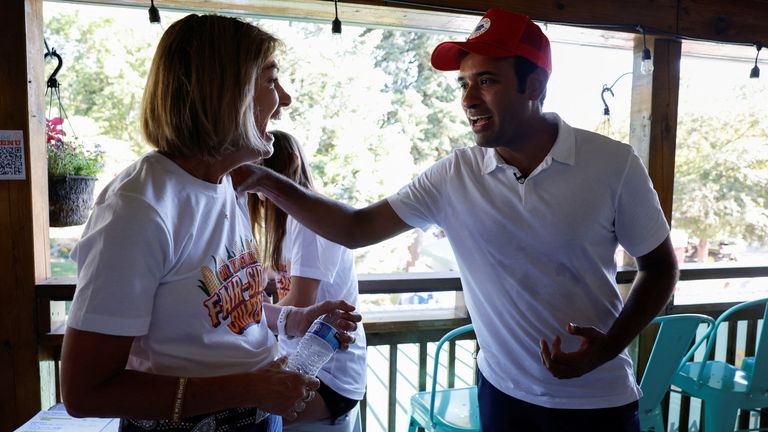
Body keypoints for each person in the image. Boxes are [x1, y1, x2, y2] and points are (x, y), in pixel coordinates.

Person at [235, 8, 678, 431]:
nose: (468, 99)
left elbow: (660, 267)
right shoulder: (455, 174)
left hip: (596, 400)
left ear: (535, 84)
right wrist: (263, 179)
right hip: (502, 394)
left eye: (486, 81)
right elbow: (355, 229)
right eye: (463, 84)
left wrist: (607, 349)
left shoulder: (612, 165)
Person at [59, 14, 360, 432]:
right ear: (226, 93)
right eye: (271, 81)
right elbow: (84, 392)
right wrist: (249, 388)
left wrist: (294, 318)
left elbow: (217, 315)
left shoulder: (221, 185)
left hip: (259, 415)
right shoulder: (138, 209)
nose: (285, 99)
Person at [249, 130, 367, 431]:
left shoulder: (310, 221)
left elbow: (301, 302)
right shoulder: (286, 224)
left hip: (329, 373)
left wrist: (248, 316)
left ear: (293, 161)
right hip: (300, 359)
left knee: (244, 420)